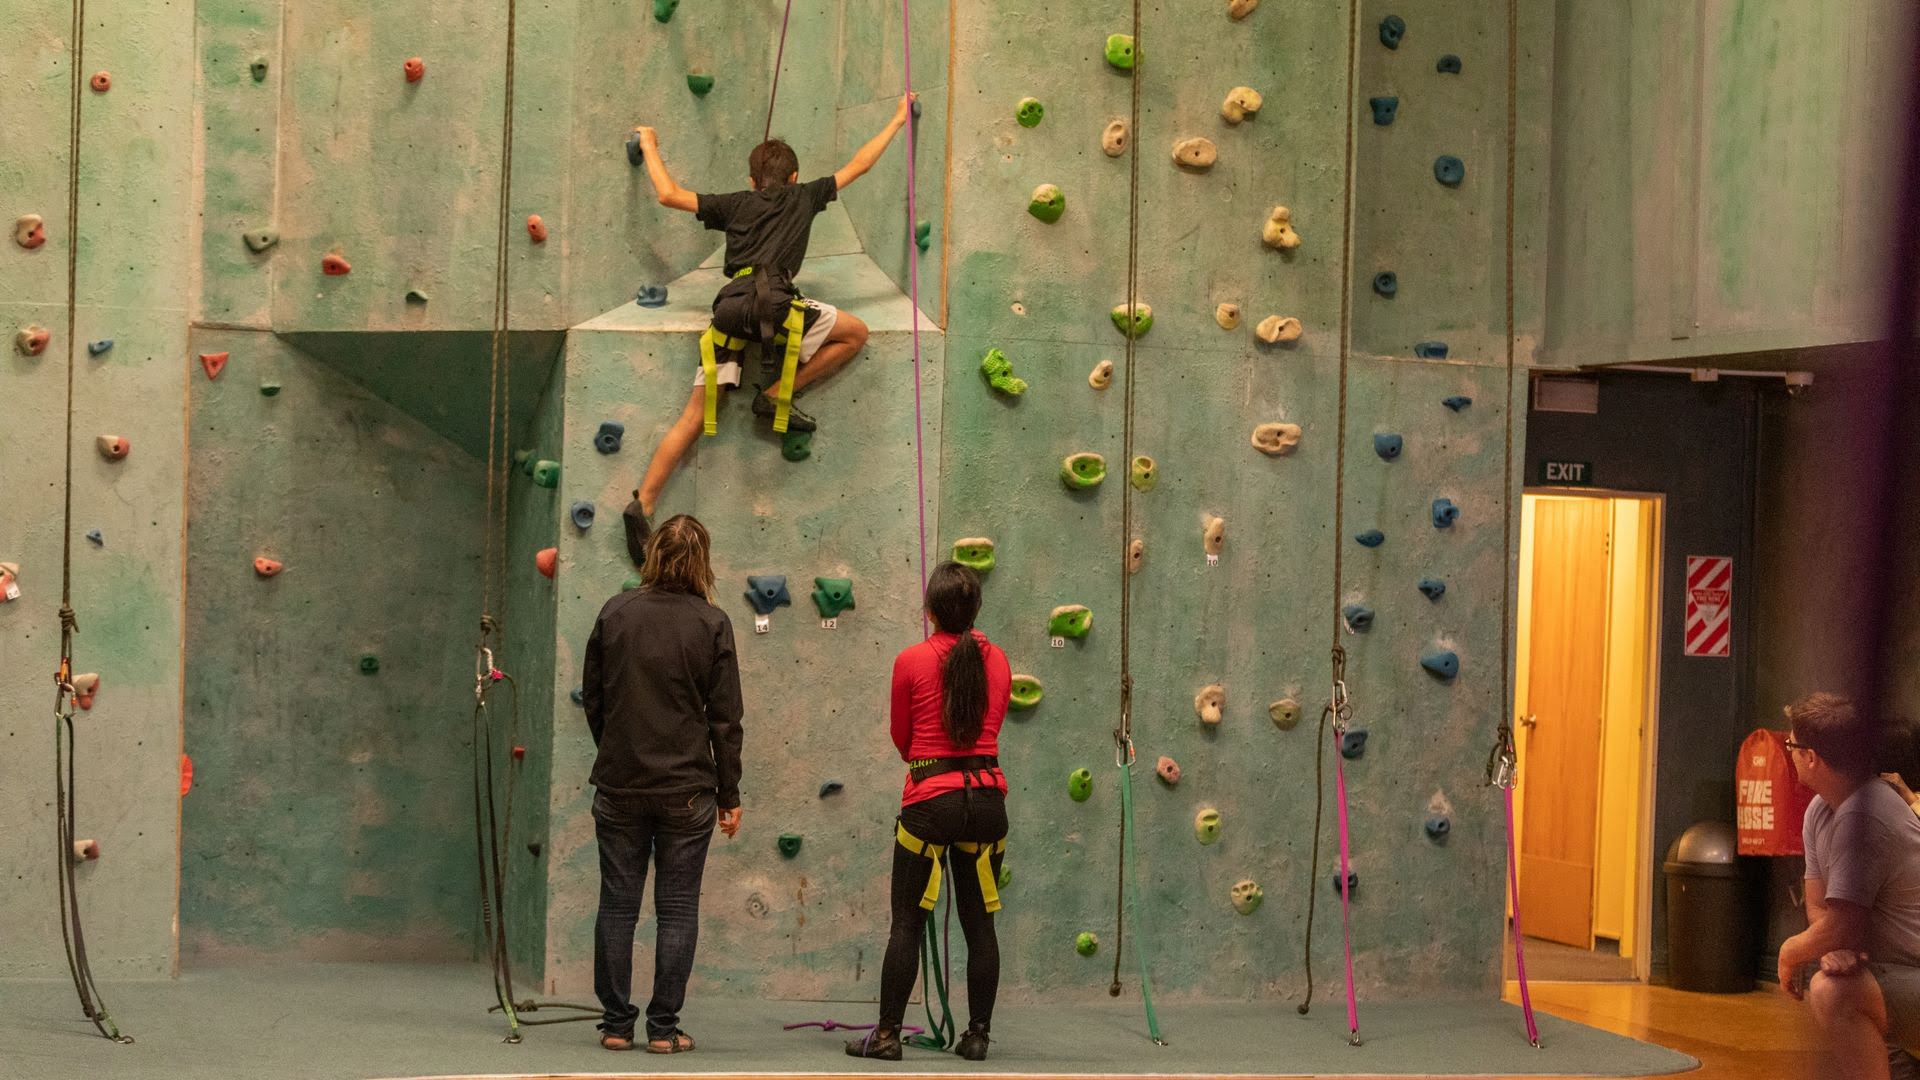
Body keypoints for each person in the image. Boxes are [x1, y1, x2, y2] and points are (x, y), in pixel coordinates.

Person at [629, 93, 915, 519]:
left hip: (728, 310)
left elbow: (668, 195)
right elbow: (861, 164)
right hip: (776, 306)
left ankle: (644, 501)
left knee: (694, 414)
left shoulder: (735, 204)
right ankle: (778, 393)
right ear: (795, 176)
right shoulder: (804, 196)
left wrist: (649, 142)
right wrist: (897, 120)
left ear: (751, 181)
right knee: (856, 333)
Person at [580, 514, 744, 1053]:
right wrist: (730, 794)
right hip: (689, 791)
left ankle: (616, 1026)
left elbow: (596, 701)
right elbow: (725, 720)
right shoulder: (712, 623)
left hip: (620, 785)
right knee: (677, 909)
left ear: (651, 556)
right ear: (703, 562)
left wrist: (617, 749)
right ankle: (664, 1030)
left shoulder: (615, 612)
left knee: (617, 906)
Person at [847, 562, 1012, 1062]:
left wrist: (930, 763)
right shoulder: (998, 660)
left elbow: (904, 738)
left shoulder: (911, 660)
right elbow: (994, 724)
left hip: (929, 801)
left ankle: (888, 1036)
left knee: (907, 923)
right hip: (986, 802)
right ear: (977, 608)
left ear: (930, 611)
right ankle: (977, 1035)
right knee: (979, 924)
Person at [1777, 692, 1920, 1080]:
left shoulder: (1867, 814)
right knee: (1837, 981)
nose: (1789, 753)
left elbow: (1844, 922)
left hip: (1910, 973)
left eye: (1791, 745)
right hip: (1891, 972)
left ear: (1810, 757)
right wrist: (1834, 948)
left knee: (1833, 993)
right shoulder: (1820, 810)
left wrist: (1792, 952)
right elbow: (1820, 906)